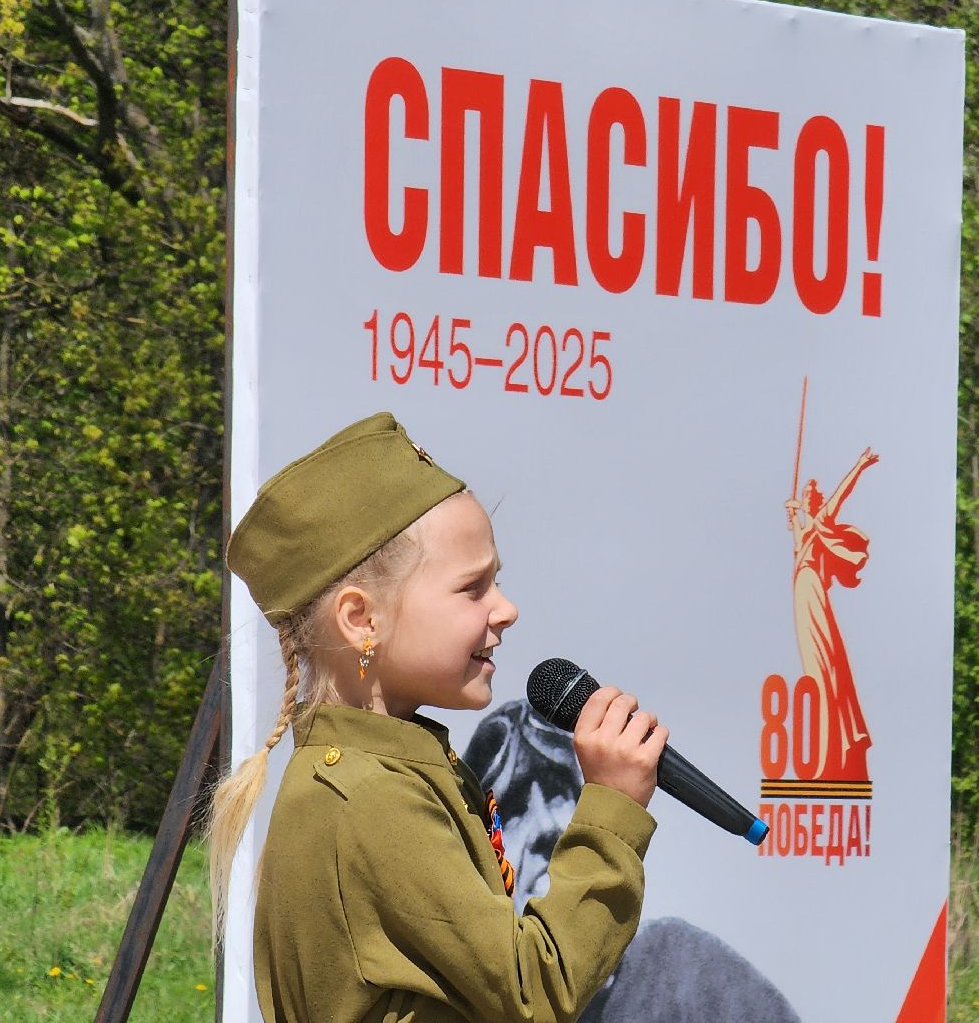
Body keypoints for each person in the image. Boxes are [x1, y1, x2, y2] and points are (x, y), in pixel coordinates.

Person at [204, 411, 668, 1022]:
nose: (506, 610)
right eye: (472, 588)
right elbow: (535, 990)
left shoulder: (380, 777)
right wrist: (613, 810)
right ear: (361, 619)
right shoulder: (370, 799)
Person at [465, 698, 802, 1022]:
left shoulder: (682, 971)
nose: (546, 819)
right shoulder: (460, 977)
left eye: (571, 796)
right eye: (516, 806)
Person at [783, 446, 877, 781]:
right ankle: (829, 743)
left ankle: (836, 741)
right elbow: (798, 543)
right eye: (807, 495)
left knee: (825, 666)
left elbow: (842, 492)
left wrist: (860, 464)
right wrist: (792, 517)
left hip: (811, 591)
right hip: (801, 593)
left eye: (813, 494)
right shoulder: (806, 530)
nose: (810, 497)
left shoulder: (823, 520)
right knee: (816, 667)